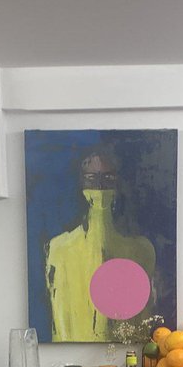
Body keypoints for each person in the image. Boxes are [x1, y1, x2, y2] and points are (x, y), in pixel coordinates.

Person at [45, 146, 157, 341]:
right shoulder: (59, 249)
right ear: (80, 183)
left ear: (118, 183)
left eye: (108, 178)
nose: (99, 187)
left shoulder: (141, 250)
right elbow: (60, 322)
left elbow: (143, 323)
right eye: (91, 178)